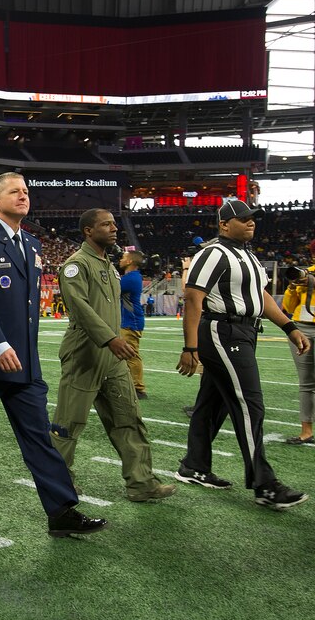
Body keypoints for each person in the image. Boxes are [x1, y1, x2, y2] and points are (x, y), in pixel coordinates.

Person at [0, 172, 107, 537]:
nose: (23, 196)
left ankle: (60, 511)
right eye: (15, 191)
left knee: (38, 436)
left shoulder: (32, 243)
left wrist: (22, 352)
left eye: (26, 191)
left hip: (23, 363)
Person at [175, 199, 309, 509]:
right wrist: (190, 347)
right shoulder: (212, 253)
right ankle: (265, 484)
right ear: (224, 224)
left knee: (212, 404)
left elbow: (261, 297)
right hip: (223, 330)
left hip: (244, 331)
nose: (251, 223)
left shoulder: (248, 256)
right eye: (243, 218)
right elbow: (194, 299)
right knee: (250, 404)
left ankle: (194, 466)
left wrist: (289, 327)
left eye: (253, 218)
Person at [49, 209, 177, 502]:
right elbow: (79, 307)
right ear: (88, 231)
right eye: (106, 224)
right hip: (85, 354)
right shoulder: (75, 265)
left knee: (128, 418)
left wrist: (113, 342)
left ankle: (142, 484)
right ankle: (58, 484)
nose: (114, 228)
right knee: (68, 423)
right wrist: (110, 339)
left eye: (114, 224)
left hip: (112, 356)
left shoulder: (109, 265)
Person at [281, 258, 315, 444]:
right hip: (302, 328)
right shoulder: (305, 274)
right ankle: (306, 430)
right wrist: (293, 288)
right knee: (306, 383)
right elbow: (289, 307)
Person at [118, 249, 148, 398]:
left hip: (131, 321)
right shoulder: (132, 276)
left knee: (131, 354)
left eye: (123, 257)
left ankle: (138, 388)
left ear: (130, 261)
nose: (120, 259)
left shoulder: (130, 278)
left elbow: (111, 288)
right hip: (129, 320)